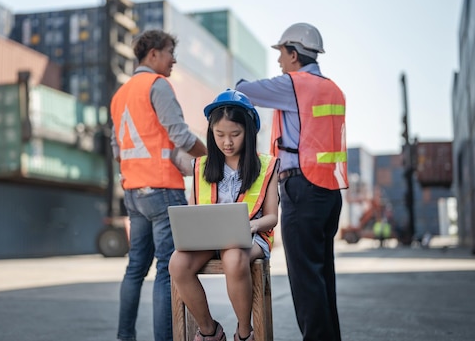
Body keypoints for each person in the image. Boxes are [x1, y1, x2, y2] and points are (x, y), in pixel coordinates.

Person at [236, 22, 348, 341]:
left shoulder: (294, 85)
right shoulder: (333, 89)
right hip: (329, 192)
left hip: (302, 188)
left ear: (295, 53)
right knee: (322, 277)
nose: (280, 63)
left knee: (305, 281)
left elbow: (244, 89)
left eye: (282, 55)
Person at [110, 29, 207, 341]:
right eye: (169, 53)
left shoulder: (120, 95)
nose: (173, 60)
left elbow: (116, 150)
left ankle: (125, 337)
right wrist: (210, 156)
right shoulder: (157, 85)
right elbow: (180, 135)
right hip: (163, 189)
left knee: (135, 270)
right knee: (170, 269)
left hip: (133, 193)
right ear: (152, 54)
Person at [169, 89, 280, 341]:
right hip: (209, 239)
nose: (227, 142)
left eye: (235, 134)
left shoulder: (267, 166)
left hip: (252, 237)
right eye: (219, 135)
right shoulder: (201, 166)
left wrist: (248, 226)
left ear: (249, 133)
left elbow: (272, 217)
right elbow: (193, 209)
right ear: (211, 133)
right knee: (177, 263)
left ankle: (243, 332)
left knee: (233, 258)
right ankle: (210, 331)